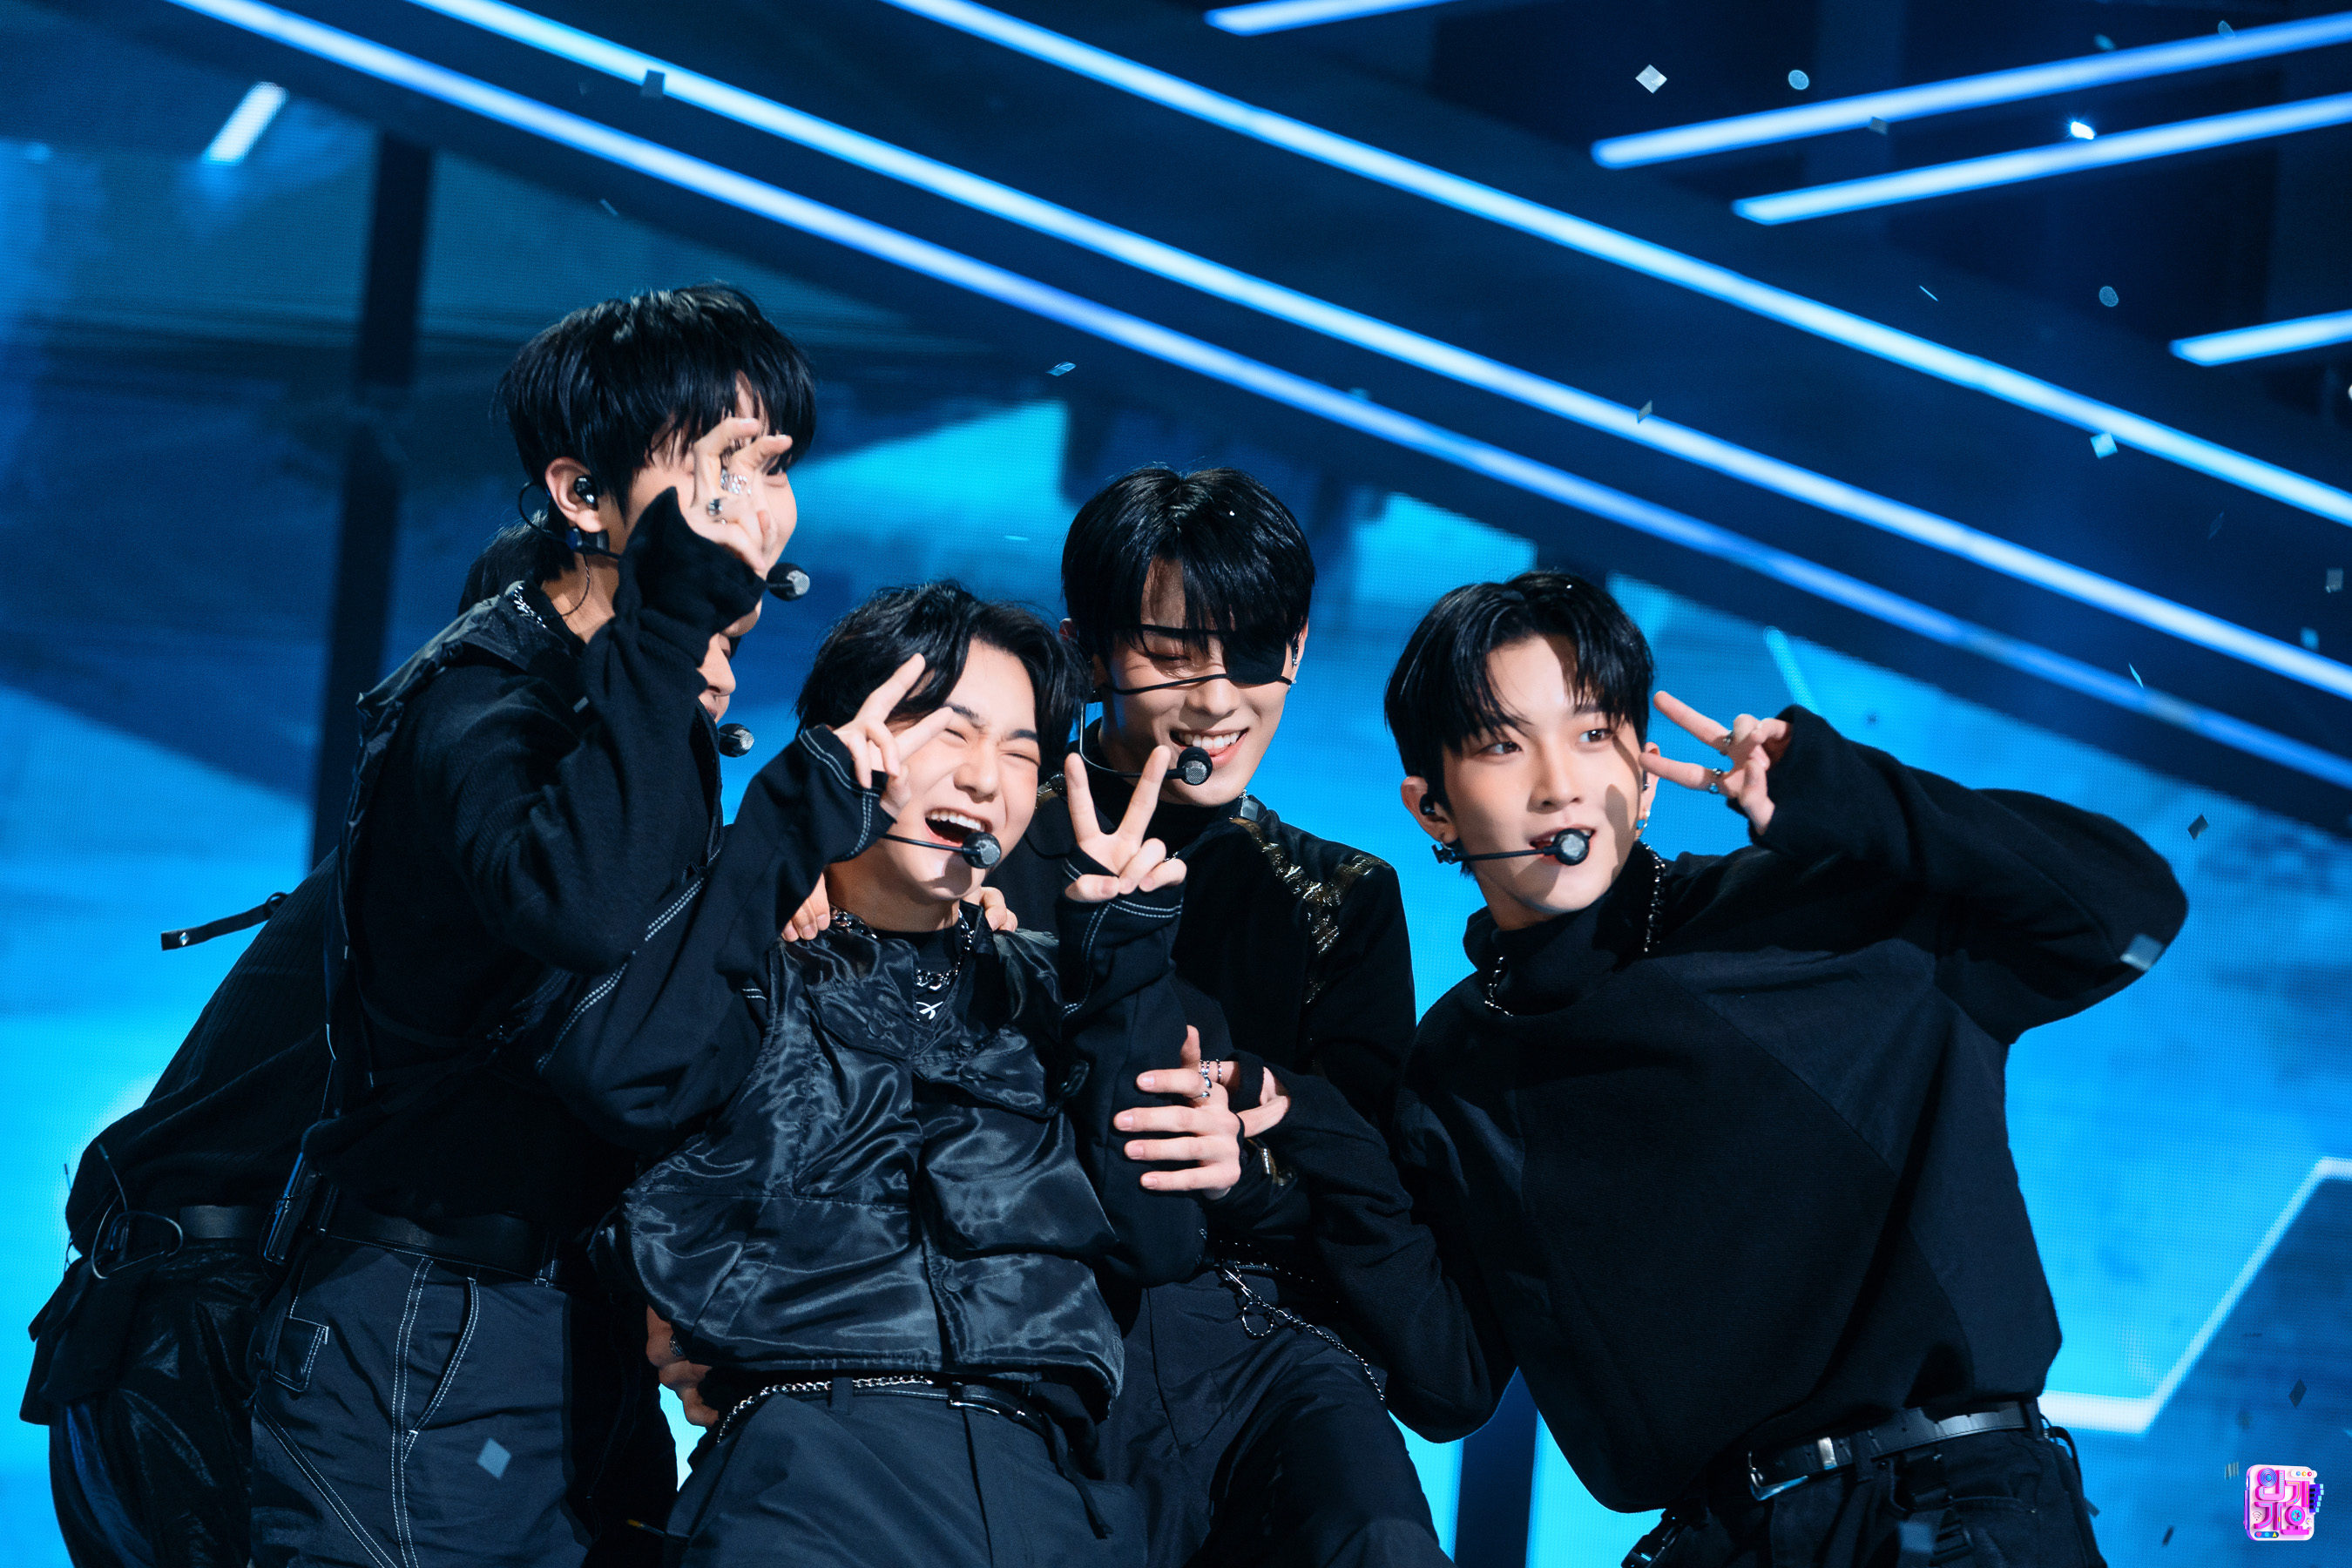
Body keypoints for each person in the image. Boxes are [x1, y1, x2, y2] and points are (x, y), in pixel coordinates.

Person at [1342, 569, 2186, 1568]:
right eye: (1501, 745)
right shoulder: (1457, 1063)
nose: (1558, 783)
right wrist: (1304, 1139)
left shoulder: (1826, 913)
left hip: (1944, 1512)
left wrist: (1850, 798)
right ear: (1432, 808)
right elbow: (1450, 1382)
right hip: (1717, 1544)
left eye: (1594, 733)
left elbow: (2130, 910)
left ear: (1645, 776)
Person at [247, 283, 804, 1568]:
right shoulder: (485, 698)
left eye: (773, 466)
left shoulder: (632, 692)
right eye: (717, 465)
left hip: (565, 1320)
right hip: (422, 1323)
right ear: (582, 493)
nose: (756, 505)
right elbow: (588, 916)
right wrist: (674, 623)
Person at [538, 581, 1246, 1566]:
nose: (985, 778)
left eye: (1021, 753)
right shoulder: (746, 963)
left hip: (1044, 1497)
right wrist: (787, 829)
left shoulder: (1055, 989)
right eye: (951, 732)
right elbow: (616, 1078)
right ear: (852, 739)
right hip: (809, 1483)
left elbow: (1158, 1241)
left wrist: (1125, 971)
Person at [988, 467, 1450, 1568]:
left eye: (1252, 654)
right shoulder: (983, 851)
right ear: (1088, 653)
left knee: (1381, 1539)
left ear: (1297, 647)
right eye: (1171, 656)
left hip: (1263, 1339)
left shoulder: (1340, 896)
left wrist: (1245, 1169)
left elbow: (1375, 1194)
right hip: (1029, 1326)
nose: (1217, 702)